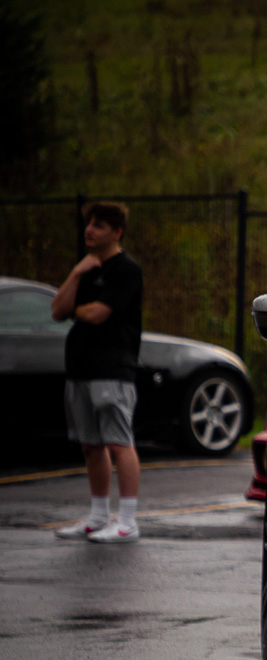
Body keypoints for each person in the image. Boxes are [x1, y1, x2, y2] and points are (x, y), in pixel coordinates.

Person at [50, 201, 144, 543]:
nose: (90, 229)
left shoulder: (126, 270)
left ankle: (128, 521)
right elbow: (57, 310)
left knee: (119, 443)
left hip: (112, 370)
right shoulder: (86, 270)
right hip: (80, 370)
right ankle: (98, 516)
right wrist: (76, 273)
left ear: (116, 232)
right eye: (89, 223)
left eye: (99, 225)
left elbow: (97, 313)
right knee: (91, 445)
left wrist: (76, 309)